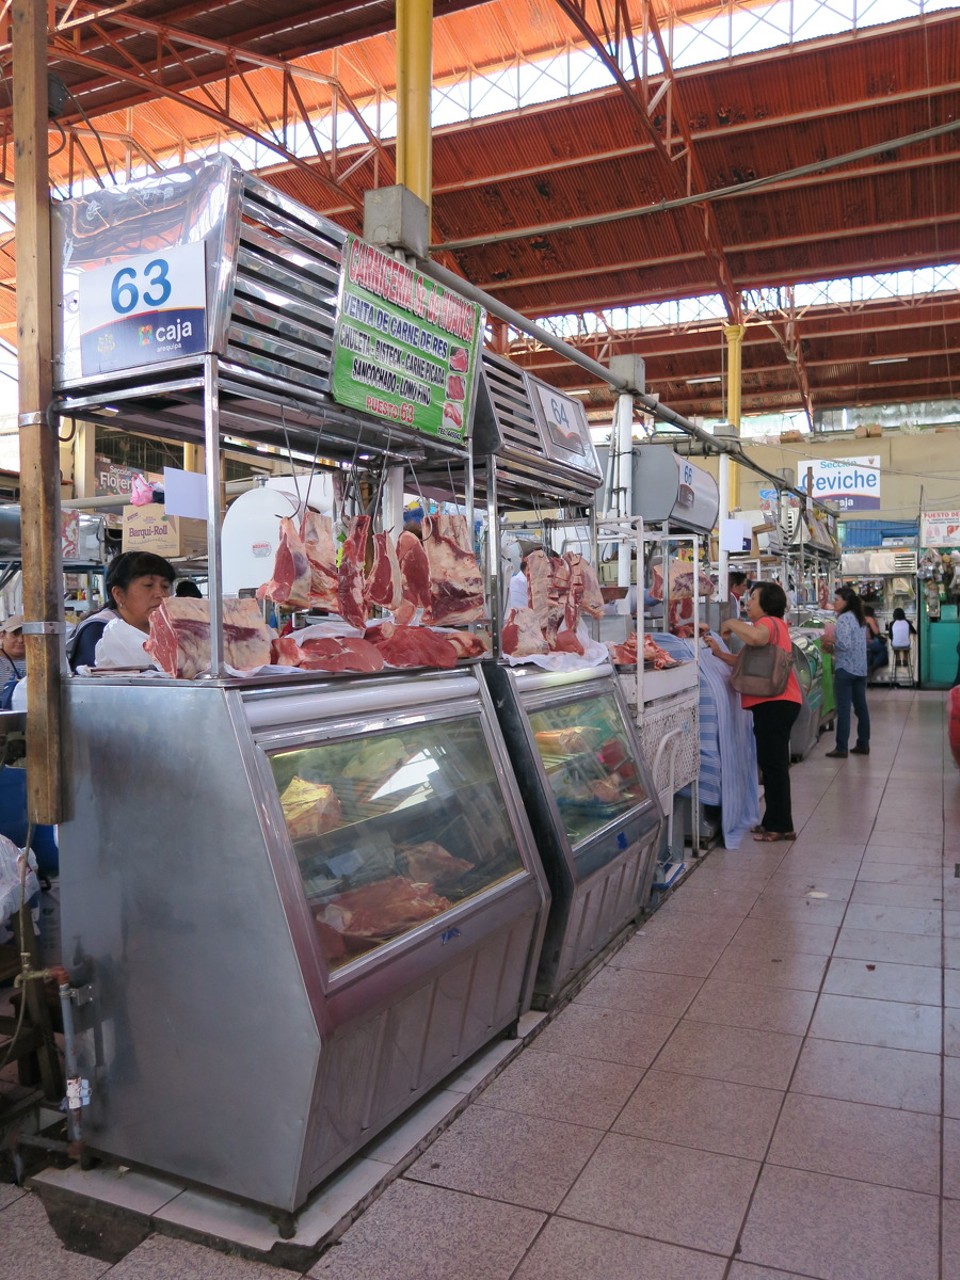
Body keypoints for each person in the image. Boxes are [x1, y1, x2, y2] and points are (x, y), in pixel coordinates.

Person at [704, 581, 803, 841]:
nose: (748, 603)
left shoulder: (768, 624)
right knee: (772, 765)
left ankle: (780, 826)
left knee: (774, 766)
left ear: (767, 604)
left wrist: (729, 622)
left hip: (776, 704)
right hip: (777, 704)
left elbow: (756, 636)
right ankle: (774, 820)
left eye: (753, 599)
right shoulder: (771, 628)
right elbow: (746, 661)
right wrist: (718, 653)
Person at [67, 551, 176, 671]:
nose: (160, 594)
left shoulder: (167, 630)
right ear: (119, 594)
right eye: (148, 585)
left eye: (165, 586)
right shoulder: (98, 630)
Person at [825, 585, 870, 758]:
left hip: (845, 669)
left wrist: (830, 641)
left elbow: (844, 644)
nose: (834, 603)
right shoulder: (859, 618)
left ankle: (841, 747)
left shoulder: (843, 619)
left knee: (843, 710)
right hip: (860, 669)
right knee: (861, 708)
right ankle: (863, 743)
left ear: (846, 602)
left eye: (836, 600)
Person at [863, 605, 888, 679]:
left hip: (861, 643)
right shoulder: (869, 619)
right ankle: (873, 667)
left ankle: (868, 669)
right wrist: (875, 623)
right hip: (868, 642)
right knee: (883, 650)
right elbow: (876, 632)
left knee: (870, 652)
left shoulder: (859, 618)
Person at [0, 615, 26, 686]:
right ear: (2, 635)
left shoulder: (41, 661)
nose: (21, 640)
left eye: (26, 635)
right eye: (15, 634)